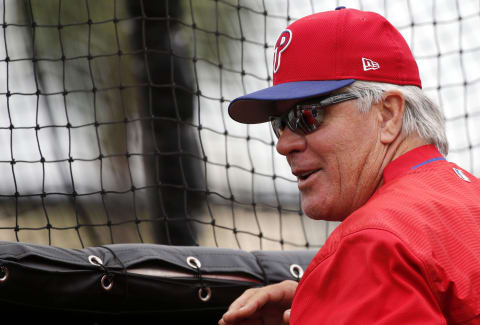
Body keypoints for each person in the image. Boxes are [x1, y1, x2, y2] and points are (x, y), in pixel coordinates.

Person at [219, 7, 480, 325]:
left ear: (388, 115)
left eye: (308, 115)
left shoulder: (373, 243)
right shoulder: (468, 198)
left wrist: (355, 283)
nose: (283, 144)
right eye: (280, 123)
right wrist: (330, 298)